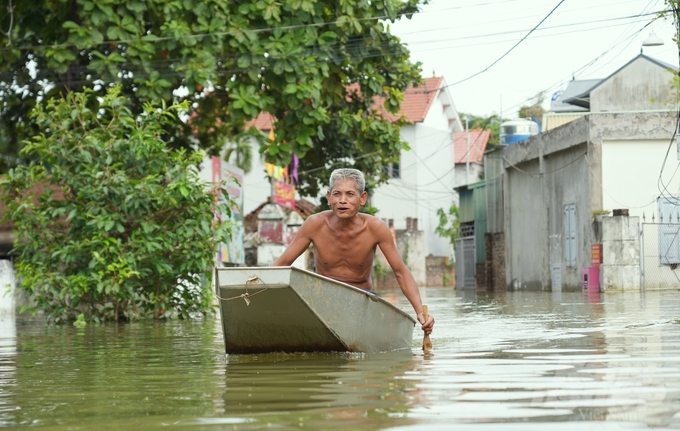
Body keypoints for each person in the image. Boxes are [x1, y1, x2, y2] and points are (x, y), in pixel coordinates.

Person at [272, 168, 434, 335]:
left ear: (362, 198)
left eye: (350, 194)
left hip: (361, 298)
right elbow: (281, 264)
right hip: (323, 299)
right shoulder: (315, 224)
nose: (343, 200)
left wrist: (420, 313)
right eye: (337, 194)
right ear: (329, 197)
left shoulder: (375, 228)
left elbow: (400, 272)